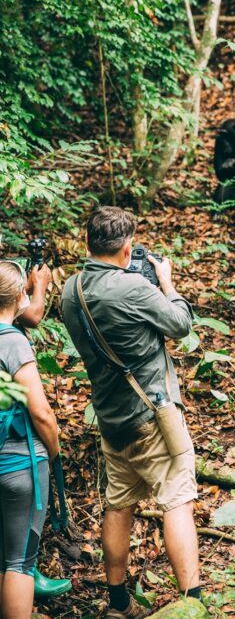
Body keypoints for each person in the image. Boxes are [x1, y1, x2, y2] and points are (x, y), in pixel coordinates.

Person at [61, 206, 200, 619]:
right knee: (177, 500)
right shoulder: (133, 289)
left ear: (87, 243)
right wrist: (167, 284)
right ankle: (192, 604)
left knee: (119, 505)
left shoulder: (72, 290)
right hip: (153, 417)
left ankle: (118, 602)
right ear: (126, 250)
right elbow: (180, 324)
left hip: (111, 418)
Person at [0, 261, 61, 619]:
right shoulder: (13, 343)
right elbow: (41, 413)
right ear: (20, 295)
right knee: (20, 563)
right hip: (20, 462)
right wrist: (54, 452)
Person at [13, 260, 72, 599]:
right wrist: (41, 284)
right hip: (16, 448)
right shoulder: (12, 341)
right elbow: (31, 316)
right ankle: (23, 577)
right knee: (18, 552)